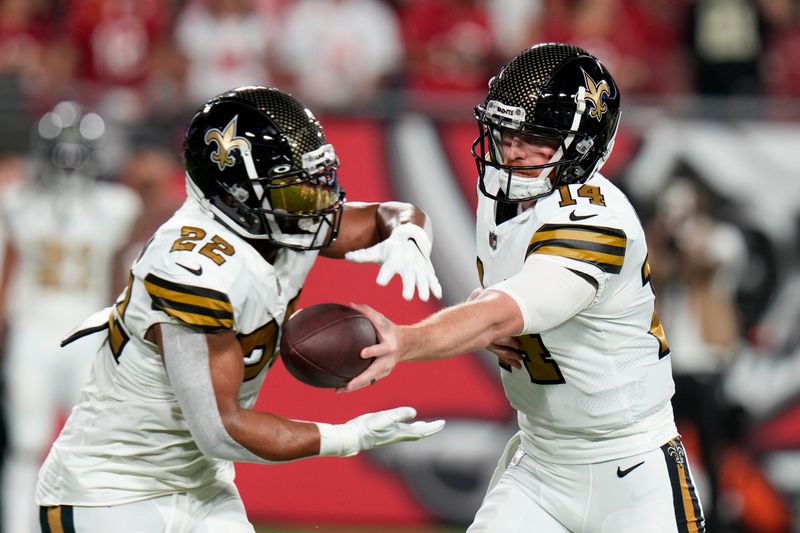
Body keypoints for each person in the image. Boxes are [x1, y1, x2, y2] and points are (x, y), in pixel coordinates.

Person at [35, 86, 444, 533]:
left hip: (203, 487)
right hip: (109, 491)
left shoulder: (282, 220)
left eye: (317, 183)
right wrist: (349, 437)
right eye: (297, 194)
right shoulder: (191, 266)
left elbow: (386, 216)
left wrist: (410, 233)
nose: (319, 204)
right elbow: (221, 429)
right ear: (234, 197)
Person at [344, 43, 707, 532]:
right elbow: (502, 308)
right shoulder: (503, 192)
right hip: (541, 461)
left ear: (581, 146)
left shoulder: (596, 220)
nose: (511, 149)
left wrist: (407, 340)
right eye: (506, 130)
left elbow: (503, 312)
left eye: (534, 135)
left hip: (632, 467)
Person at [0, 101, 142, 533]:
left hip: (36, 337)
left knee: (30, 450)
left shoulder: (18, 200)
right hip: (84, 335)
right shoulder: (116, 204)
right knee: (87, 451)